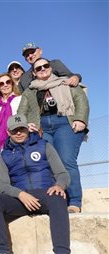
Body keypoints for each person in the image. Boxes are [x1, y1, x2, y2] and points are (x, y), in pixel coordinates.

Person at [0, 114, 86, 254]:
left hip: (45, 194)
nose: (19, 133)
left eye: (21, 129)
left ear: (27, 128)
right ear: (8, 132)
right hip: (21, 198)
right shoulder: (4, 155)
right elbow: (3, 185)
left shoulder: (43, 145)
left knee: (59, 197)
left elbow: (62, 174)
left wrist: (60, 185)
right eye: (14, 130)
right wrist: (20, 194)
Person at [18, 58, 89, 213]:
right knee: (47, 163)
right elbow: (21, 111)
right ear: (34, 73)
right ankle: (56, 201)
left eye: (45, 66)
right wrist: (25, 124)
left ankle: (74, 201)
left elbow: (81, 100)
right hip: (42, 127)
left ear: (50, 67)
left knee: (66, 160)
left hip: (65, 122)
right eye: (38, 68)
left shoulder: (65, 82)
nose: (43, 69)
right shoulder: (30, 91)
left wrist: (80, 119)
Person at [0, 73, 21, 151]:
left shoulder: (19, 99)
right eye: (1, 83)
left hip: (15, 138)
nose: (5, 85)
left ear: (12, 83)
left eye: (8, 82)